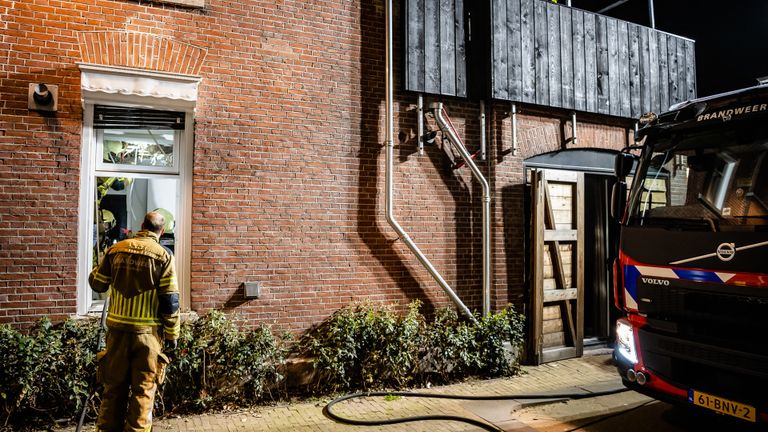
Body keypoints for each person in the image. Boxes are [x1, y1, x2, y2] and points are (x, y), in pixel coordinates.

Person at [89, 211, 180, 432]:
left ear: (141, 225)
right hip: (147, 337)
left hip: (117, 333)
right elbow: (170, 302)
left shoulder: (116, 249)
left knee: (113, 390)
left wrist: (105, 264)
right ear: (162, 231)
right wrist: (172, 335)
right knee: (143, 392)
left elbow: (97, 284)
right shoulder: (164, 256)